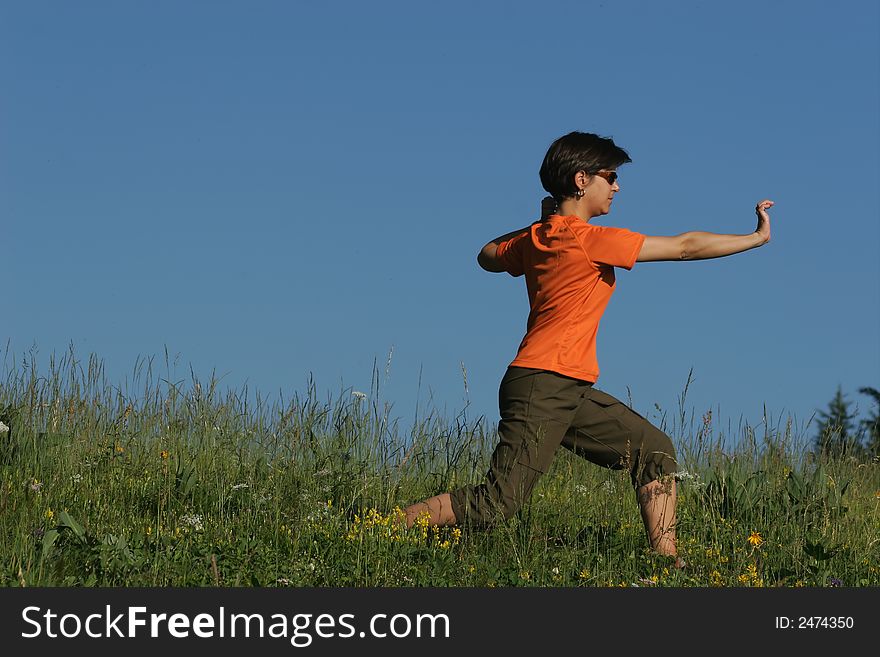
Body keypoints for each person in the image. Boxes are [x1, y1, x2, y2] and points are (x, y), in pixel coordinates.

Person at [402, 131, 773, 566]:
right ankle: (379, 528)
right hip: (545, 383)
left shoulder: (538, 237)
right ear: (581, 180)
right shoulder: (588, 238)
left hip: (562, 385)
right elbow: (685, 247)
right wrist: (754, 239)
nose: (616, 186)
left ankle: (667, 562)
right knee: (495, 505)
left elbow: (486, 255)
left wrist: (539, 224)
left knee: (653, 450)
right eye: (610, 176)